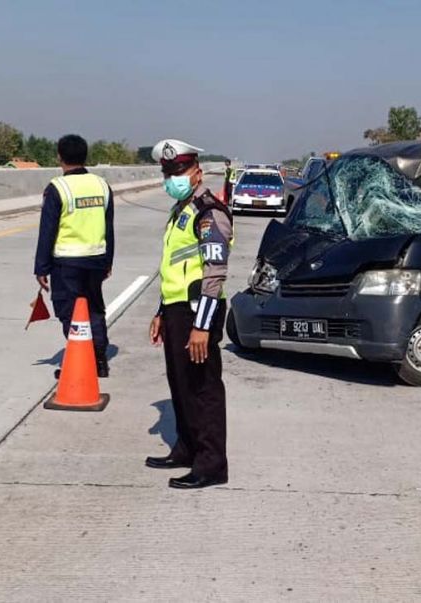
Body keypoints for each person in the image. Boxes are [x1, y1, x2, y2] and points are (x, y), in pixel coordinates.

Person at [145, 139, 233, 490]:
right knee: (180, 384)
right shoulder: (181, 209)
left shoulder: (209, 212)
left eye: (178, 171)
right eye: (167, 172)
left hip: (200, 312)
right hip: (177, 310)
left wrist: (202, 326)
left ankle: (211, 464)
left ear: (197, 171)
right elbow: (175, 268)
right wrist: (161, 311)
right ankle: (186, 448)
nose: (172, 178)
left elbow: (214, 272)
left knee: (204, 389)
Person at [34, 134, 114, 377]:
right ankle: (100, 361)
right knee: (94, 309)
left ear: (60, 157)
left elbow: (47, 231)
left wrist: (41, 267)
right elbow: (109, 227)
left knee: (70, 312)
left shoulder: (58, 188)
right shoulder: (102, 185)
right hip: (96, 260)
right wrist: (108, 261)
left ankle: (82, 361)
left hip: (67, 263)